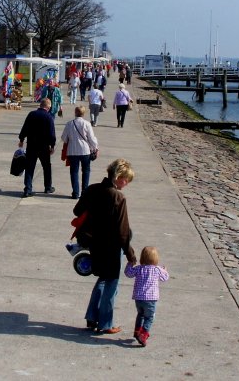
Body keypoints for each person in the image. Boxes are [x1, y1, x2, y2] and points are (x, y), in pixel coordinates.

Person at [73, 158, 136, 334]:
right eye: (126, 179)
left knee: (102, 279)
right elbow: (123, 232)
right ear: (118, 176)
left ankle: (92, 317)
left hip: (94, 242)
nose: (127, 183)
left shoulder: (92, 189)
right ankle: (105, 323)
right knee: (111, 283)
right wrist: (130, 255)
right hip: (111, 246)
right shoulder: (118, 197)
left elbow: (77, 211)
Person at [124, 246, 169, 347]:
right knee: (149, 317)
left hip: (138, 298)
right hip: (151, 299)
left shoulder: (139, 269)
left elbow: (128, 273)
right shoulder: (157, 269)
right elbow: (165, 278)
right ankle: (143, 335)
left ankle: (137, 331)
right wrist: (165, 270)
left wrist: (130, 263)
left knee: (140, 314)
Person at [17, 97, 56, 197]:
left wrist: (21, 140)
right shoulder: (49, 117)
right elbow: (52, 134)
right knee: (46, 167)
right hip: (43, 147)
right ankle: (48, 187)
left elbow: (25, 128)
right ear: (47, 107)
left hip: (32, 145)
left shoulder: (31, 114)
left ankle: (28, 189)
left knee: (29, 167)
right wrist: (52, 146)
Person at [61, 106, 99, 199]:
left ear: (75, 112)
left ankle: (75, 193)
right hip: (85, 150)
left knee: (74, 172)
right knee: (86, 171)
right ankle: (84, 192)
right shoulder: (86, 124)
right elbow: (91, 138)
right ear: (84, 113)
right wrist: (96, 148)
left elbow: (64, 138)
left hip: (72, 151)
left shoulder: (69, 124)